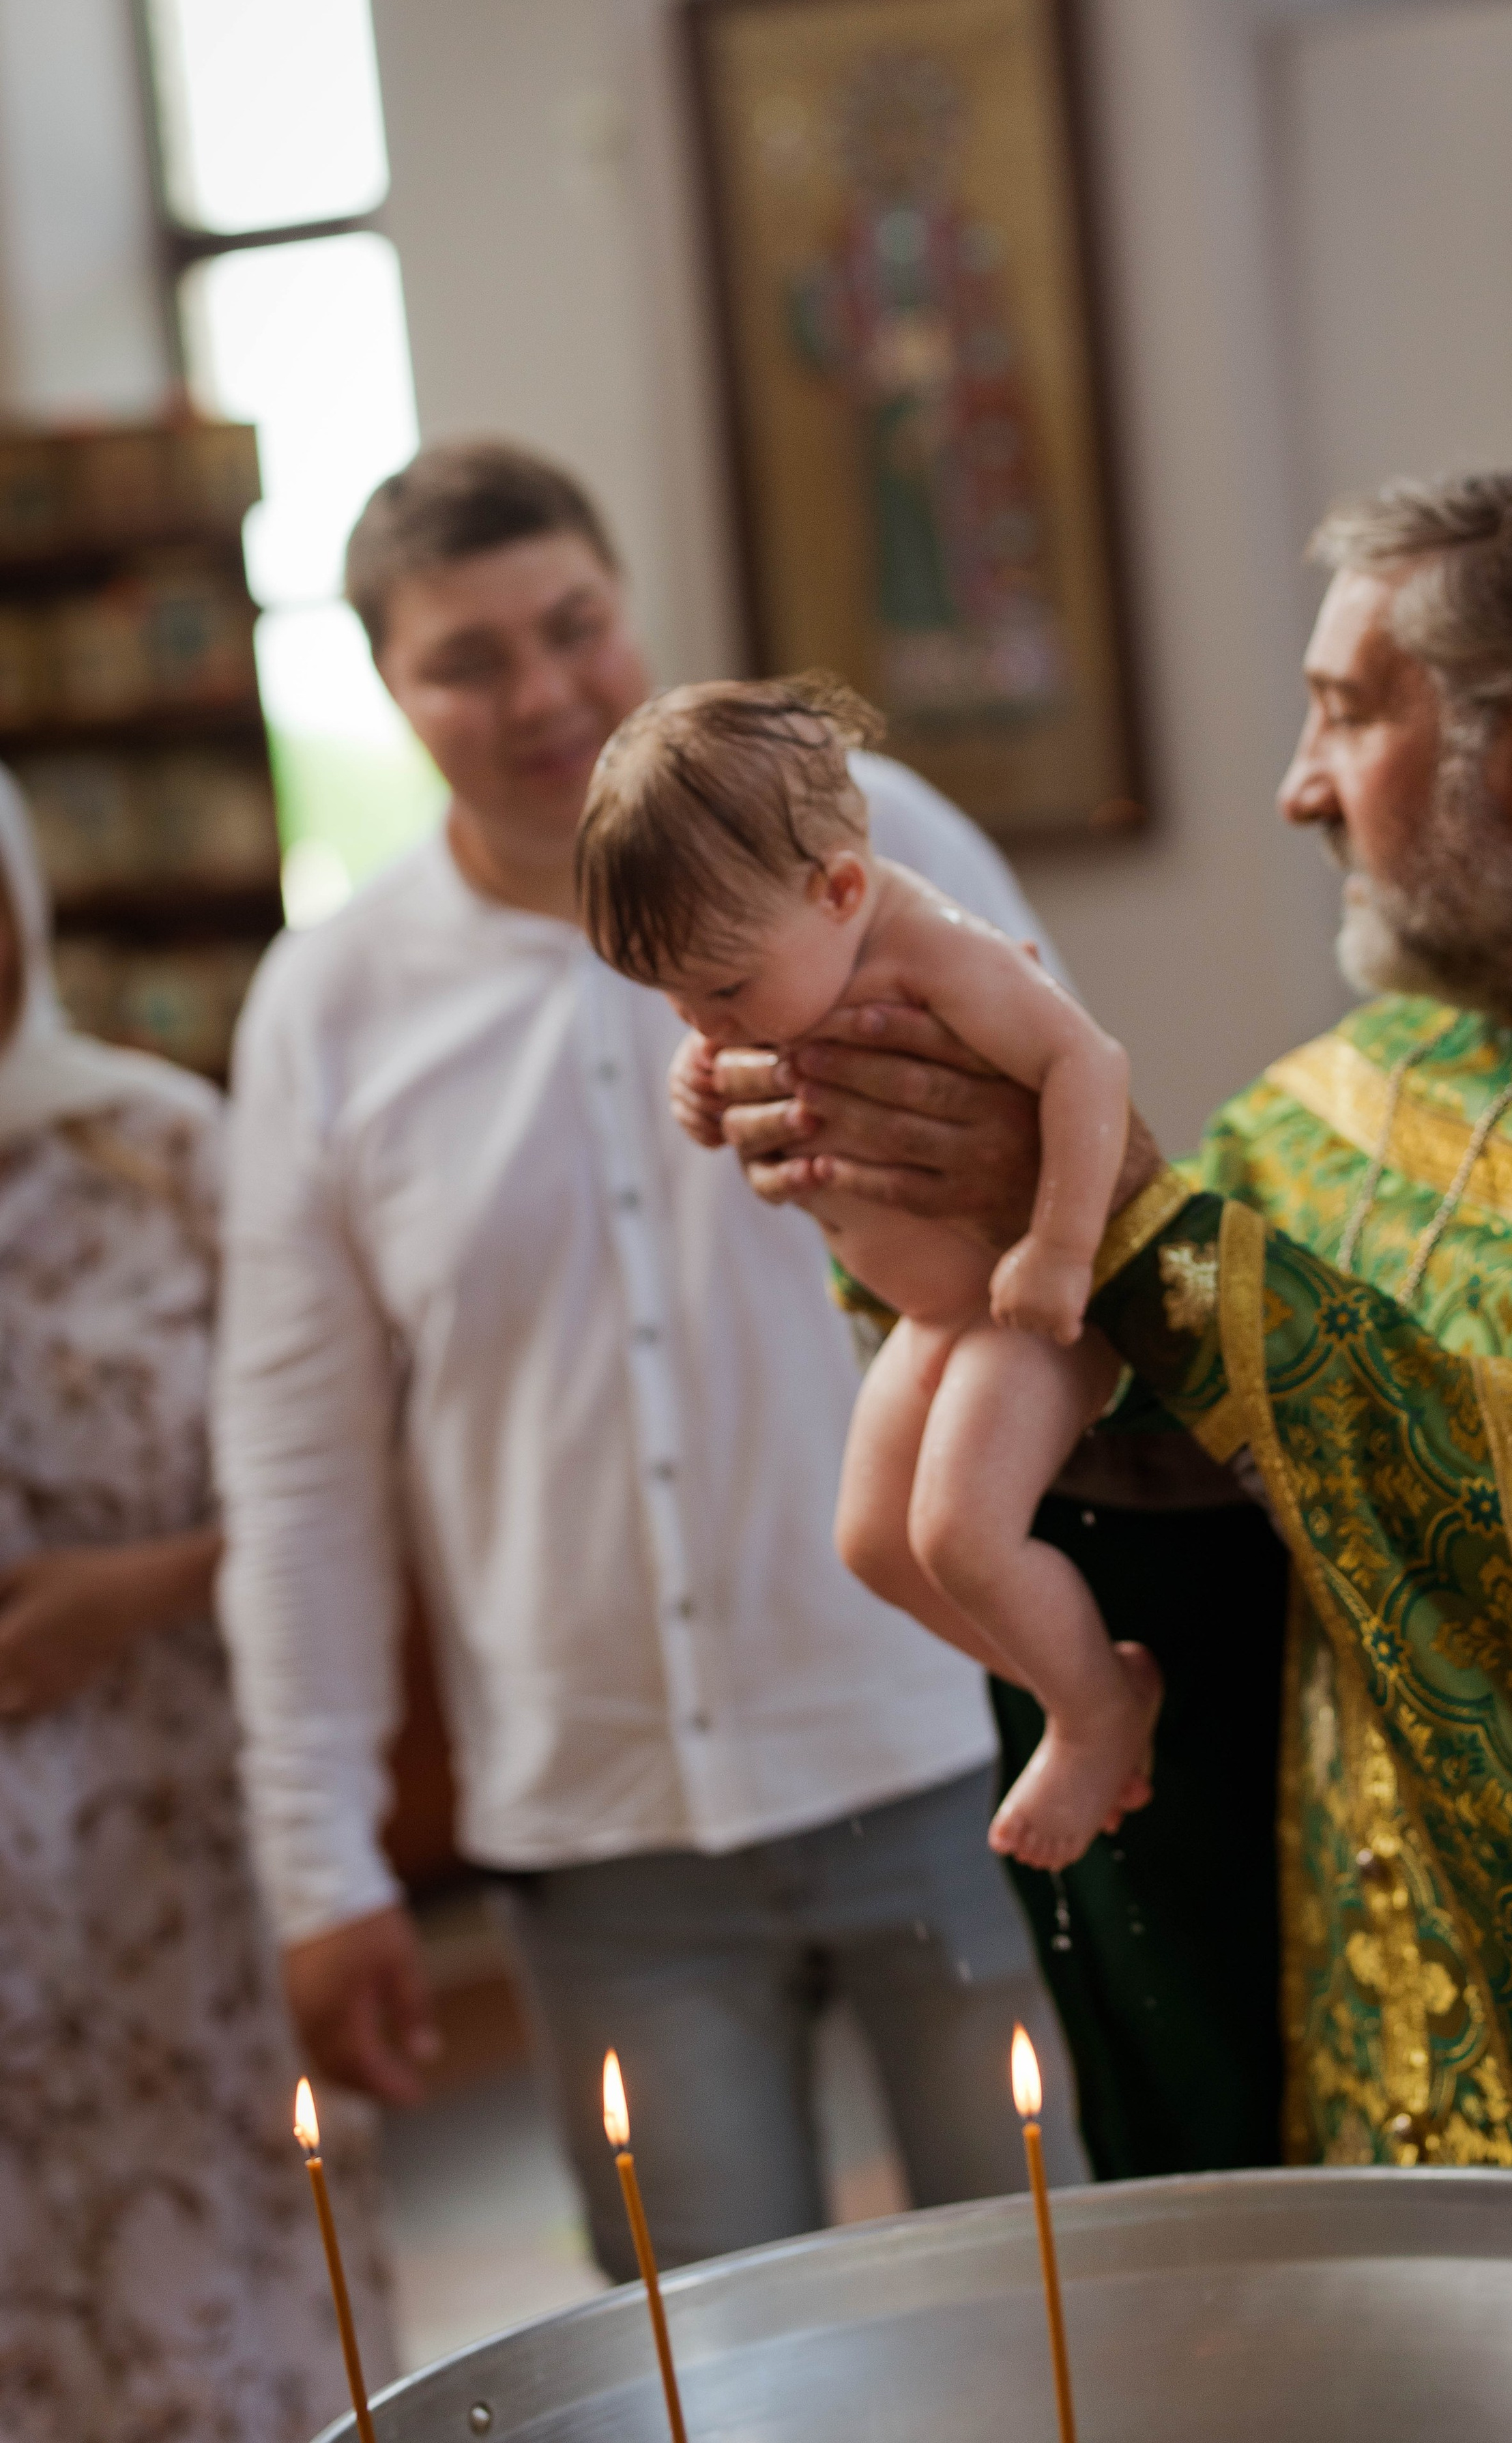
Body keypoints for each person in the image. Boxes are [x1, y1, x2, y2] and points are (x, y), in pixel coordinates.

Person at [716, 466, 1512, 2188]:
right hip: (1359, 2037)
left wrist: (1127, 1221)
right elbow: (1194, 1469)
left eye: (1345, 714)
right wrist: (926, 1202)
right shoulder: (1351, 1087)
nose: (1296, 788)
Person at [215, 439, 1084, 2286]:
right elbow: (295, 1460)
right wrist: (322, 1862)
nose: (539, 692)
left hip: (945, 1748)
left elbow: (1083, 1211)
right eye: (467, 658)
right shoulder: (332, 1000)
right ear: (387, 685)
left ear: (631, 611)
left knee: (1057, 2323)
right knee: (700, 2383)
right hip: (604, 1849)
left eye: (572, 625)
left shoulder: (891, 846)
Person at [575, 670, 1157, 1873]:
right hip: (934, 1319)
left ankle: (1093, 1712)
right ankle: (1090, 1679)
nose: (703, 1019)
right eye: (673, 996)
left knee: (955, 1532)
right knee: (874, 1546)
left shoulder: (939, 953)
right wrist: (702, 1085)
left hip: (1016, 1305)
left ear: (838, 888)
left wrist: (1058, 1249)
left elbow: (1088, 1064)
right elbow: (738, 1082)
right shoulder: (781, 960)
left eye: (722, 989)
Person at [0, 769, 391, 2443]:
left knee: (223, 2312)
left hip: (178, 1857)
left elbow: (330, 1474)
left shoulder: (158, 1152)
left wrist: (121, 1597)